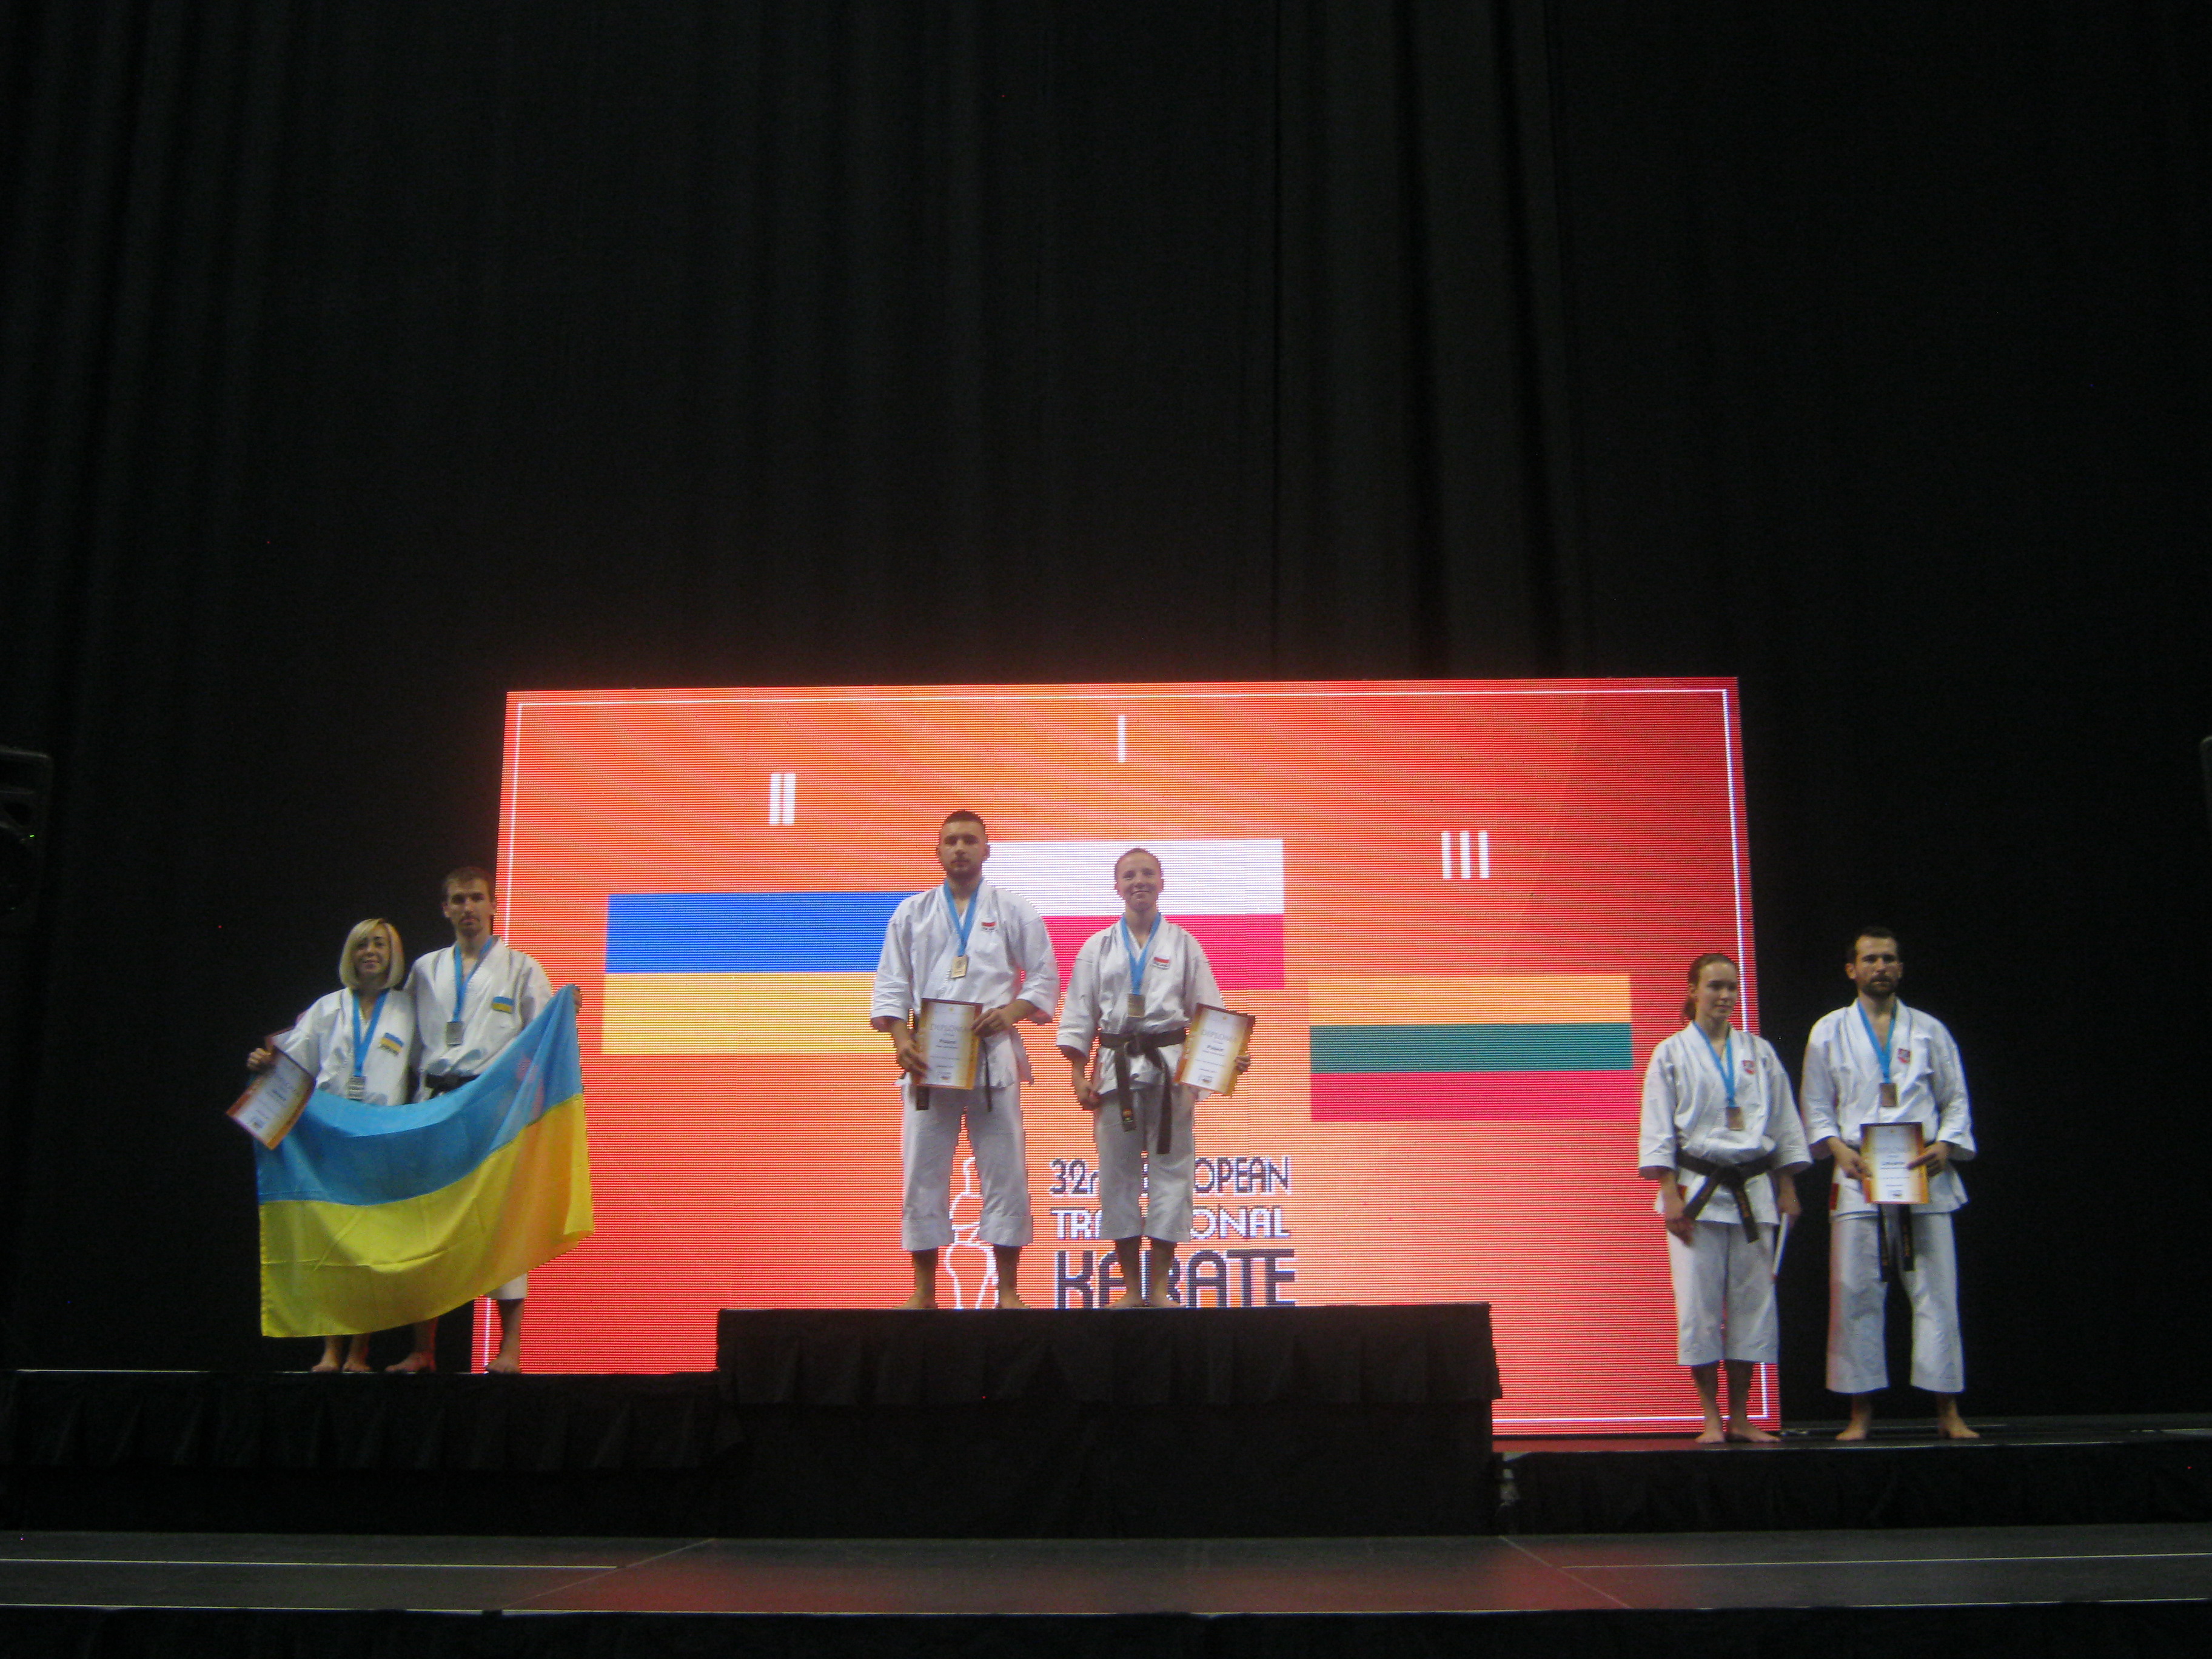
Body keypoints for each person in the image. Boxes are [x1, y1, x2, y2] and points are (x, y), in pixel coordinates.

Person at [870, 811, 1059, 1309]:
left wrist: (1011, 1012)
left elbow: (1044, 975)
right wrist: (900, 1039)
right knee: (922, 1171)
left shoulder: (1014, 910)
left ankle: (1009, 1290)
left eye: (969, 841)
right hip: (929, 1058)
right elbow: (891, 983)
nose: (960, 849)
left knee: (1006, 1170)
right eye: (951, 841)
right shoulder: (911, 912)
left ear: (986, 850)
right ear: (938, 852)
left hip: (992, 1054)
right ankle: (924, 1290)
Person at [1801, 928, 1978, 1441]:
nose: (1881, 966)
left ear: (1900, 968)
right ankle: (1860, 1413)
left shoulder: (1930, 1030)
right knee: (1855, 1296)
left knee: (1938, 1295)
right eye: (1871, 959)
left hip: (1923, 1174)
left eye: (1889, 959)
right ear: (1851, 969)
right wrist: (1837, 1149)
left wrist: (1947, 1145)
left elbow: (1956, 1099)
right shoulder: (1828, 1031)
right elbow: (1815, 1105)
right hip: (1861, 1174)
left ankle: (1948, 1411)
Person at [1057, 847, 1248, 1307]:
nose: (1138, 881)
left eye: (1147, 873)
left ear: (1162, 883)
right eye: (1129, 875)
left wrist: (1228, 1057)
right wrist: (1078, 1076)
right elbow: (1079, 1014)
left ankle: (1160, 1288)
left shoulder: (1184, 944)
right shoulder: (1097, 947)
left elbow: (1209, 1010)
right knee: (1116, 1176)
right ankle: (1130, 1288)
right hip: (1115, 1069)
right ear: (1116, 886)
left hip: (1171, 1070)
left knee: (1173, 1175)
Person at [386, 865, 555, 1374]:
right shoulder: (424, 970)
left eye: (476, 898)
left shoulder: (522, 968)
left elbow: (547, 1039)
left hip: (491, 1107)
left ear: (494, 905)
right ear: (445, 909)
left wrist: (566, 1011)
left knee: (500, 1226)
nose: (467, 908)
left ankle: (510, 1348)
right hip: (434, 1105)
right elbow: (397, 1037)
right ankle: (423, 1349)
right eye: (458, 899)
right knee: (428, 1226)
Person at [1638, 953, 1809, 1441]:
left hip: (1754, 1191)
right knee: (1699, 1309)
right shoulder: (1670, 1053)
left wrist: (1788, 1188)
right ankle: (1710, 1416)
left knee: (1753, 1308)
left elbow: (1784, 1124)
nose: (1725, 996)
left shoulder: (1759, 1052)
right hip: (1696, 1192)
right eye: (1715, 986)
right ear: (1693, 991)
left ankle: (1741, 1416)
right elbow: (1658, 1128)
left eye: (1731, 987)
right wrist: (1668, 1193)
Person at [246, 917, 417, 1373]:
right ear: (350, 954)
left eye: (379, 944)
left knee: (367, 1252)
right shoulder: (326, 1008)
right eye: (362, 945)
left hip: (380, 1139)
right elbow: (289, 1062)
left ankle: (359, 1353)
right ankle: (329, 1351)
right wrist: (262, 1061)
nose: (370, 952)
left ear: (393, 954)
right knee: (331, 1248)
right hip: (330, 1139)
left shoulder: (408, 1009)